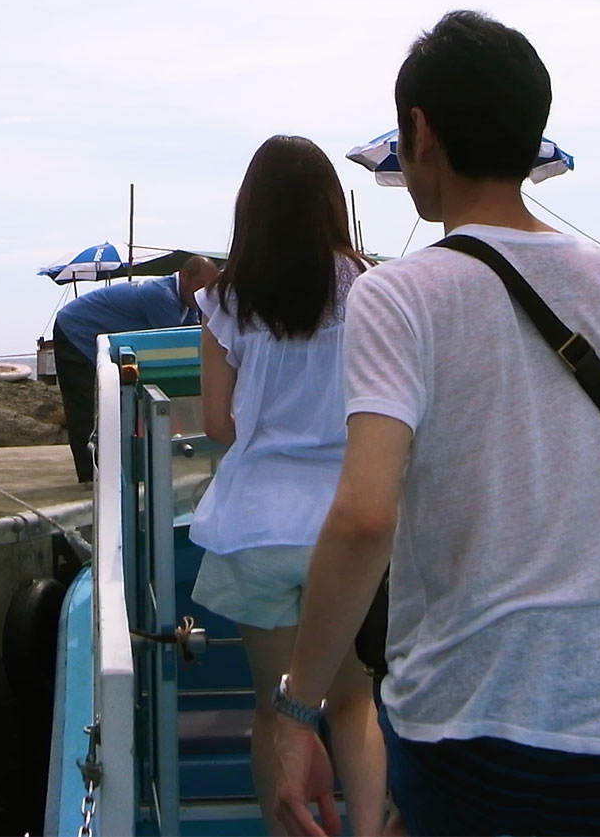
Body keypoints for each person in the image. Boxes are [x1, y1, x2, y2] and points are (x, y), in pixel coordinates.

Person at [271, 10, 600, 837]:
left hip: (477, 724)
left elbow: (363, 517)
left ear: (420, 131)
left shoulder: (401, 294)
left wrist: (296, 711)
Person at [191, 136, 385, 836]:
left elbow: (218, 423)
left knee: (274, 708)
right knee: (352, 701)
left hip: (256, 528)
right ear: (331, 203)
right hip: (345, 522)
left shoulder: (225, 300)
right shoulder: (368, 288)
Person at [50, 256, 219, 481]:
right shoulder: (161, 296)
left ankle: (118, 466)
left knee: (119, 405)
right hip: (75, 330)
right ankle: (91, 475)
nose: (205, 294)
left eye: (211, 288)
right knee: (86, 405)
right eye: (202, 285)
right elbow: (176, 345)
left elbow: (197, 338)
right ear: (184, 276)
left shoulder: (187, 303)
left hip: (102, 338)